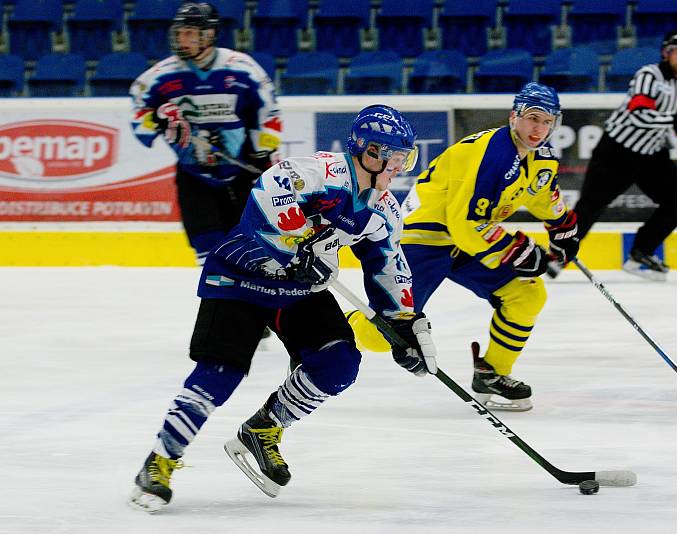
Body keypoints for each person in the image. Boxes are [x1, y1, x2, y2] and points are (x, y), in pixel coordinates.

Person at [128, 105, 438, 512]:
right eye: (394, 157)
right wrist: (295, 239)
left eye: (404, 158)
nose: (399, 166)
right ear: (370, 152)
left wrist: (405, 322)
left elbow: (387, 267)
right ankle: (161, 460)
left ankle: (264, 429)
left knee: (339, 362)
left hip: (299, 291)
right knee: (220, 374)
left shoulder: (382, 211)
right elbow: (270, 188)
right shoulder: (321, 173)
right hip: (241, 277)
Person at [347, 83, 579, 412]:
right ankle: (327, 336)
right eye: (531, 118)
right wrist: (519, 251)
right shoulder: (493, 156)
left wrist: (562, 226)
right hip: (424, 237)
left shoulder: (541, 157)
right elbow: (466, 225)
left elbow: (541, 195)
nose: (538, 129)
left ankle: (492, 374)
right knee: (382, 336)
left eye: (546, 121)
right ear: (514, 117)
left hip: (467, 242)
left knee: (526, 295)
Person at [130, 2, 282, 265]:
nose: (182, 40)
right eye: (180, 33)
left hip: (242, 170)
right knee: (208, 252)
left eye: (190, 33)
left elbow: (268, 113)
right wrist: (156, 118)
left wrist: (263, 153)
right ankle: (219, 304)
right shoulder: (159, 77)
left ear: (209, 34)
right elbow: (140, 121)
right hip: (194, 175)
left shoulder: (242, 68)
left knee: (253, 249)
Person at [566, 30, 677, 281]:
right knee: (591, 206)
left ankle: (641, 252)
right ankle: (556, 255)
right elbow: (638, 114)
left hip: (651, 154)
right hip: (616, 152)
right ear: (666, 53)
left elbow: (670, 111)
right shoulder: (649, 75)